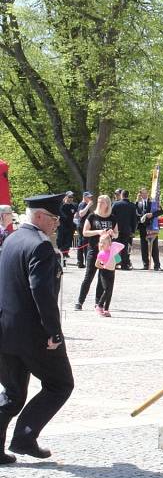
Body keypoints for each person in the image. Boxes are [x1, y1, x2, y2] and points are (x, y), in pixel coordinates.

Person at [0, 193, 74, 464]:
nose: (57, 223)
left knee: (12, 393)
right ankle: (25, 437)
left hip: (5, 331)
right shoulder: (40, 246)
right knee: (60, 384)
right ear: (40, 216)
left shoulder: (12, 239)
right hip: (33, 336)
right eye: (54, 218)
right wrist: (54, 333)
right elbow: (42, 293)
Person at [75, 195, 118, 313]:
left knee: (102, 278)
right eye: (98, 201)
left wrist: (112, 234)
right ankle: (79, 301)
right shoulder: (92, 216)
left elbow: (116, 234)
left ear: (107, 204)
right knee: (88, 276)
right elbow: (85, 232)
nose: (99, 203)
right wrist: (98, 231)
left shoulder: (112, 217)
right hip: (94, 249)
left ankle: (98, 303)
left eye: (102, 202)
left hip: (107, 252)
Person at [136, 186, 163, 270]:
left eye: (145, 193)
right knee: (144, 246)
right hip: (142, 228)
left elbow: (161, 211)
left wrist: (152, 215)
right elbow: (136, 214)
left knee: (154, 246)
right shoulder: (137, 203)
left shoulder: (153, 202)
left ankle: (157, 265)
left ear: (147, 193)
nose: (144, 195)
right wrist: (141, 217)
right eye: (142, 193)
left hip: (152, 227)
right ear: (140, 194)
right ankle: (145, 265)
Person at [111, 189, 137, 270]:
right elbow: (134, 219)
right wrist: (133, 230)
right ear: (128, 195)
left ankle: (116, 263)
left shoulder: (116, 204)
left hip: (116, 229)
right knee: (124, 247)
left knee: (115, 247)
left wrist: (111, 228)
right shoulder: (132, 205)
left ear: (121, 195)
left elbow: (111, 217)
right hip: (127, 230)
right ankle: (124, 265)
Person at [56, 191, 78, 265]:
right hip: (62, 227)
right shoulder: (61, 205)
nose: (71, 199)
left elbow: (76, 213)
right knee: (60, 243)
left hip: (70, 228)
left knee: (68, 243)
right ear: (65, 197)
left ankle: (64, 257)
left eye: (72, 197)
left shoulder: (73, 205)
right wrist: (64, 203)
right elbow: (60, 213)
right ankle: (61, 258)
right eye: (69, 197)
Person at [74, 191, 93, 268]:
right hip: (82, 226)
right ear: (84, 197)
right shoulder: (83, 204)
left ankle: (80, 261)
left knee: (81, 244)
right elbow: (81, 214)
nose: (90, 198)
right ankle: (83, 261)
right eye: (88, 197)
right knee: (84, 244)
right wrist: (88, 205)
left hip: (82, 226)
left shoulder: (83, 204)